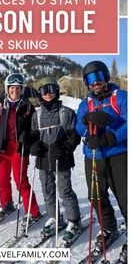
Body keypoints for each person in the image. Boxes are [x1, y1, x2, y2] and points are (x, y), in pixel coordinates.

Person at [76, 61, 127, 259]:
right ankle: (108, 228)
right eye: (90, 78)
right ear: (86, 83)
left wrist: (110, 136)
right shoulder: (85, 103)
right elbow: (80, 128)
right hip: (93, 155)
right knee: (96, 196)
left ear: (106, 77)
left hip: (118, 154)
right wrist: (86, 126)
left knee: (125, 197)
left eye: (98, 76)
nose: (95, 82)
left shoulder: (121, 97)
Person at [0, 73, 40, 227]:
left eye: (18, 88)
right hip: (2, 148)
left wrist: (27, 140)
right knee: (2, 179)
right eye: (12, 88)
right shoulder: (0, 106)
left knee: (21, 181)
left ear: (22, 90)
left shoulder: (28, 107)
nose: (15, 91)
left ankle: (33, 212)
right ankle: (6, 203)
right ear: (7, 89)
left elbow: (34, 131)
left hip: (19, 149)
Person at [30, 76, 81, 240]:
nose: (48, 93)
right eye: (44, 90)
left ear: (57, 91)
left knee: (64, 190)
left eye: (51, 89)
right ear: (39, 93)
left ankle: (74, 220)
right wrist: (33, 145)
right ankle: (54, 217)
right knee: (47, 189)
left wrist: (65, 148)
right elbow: (33, 135)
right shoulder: (36, 115)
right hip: (43, 159)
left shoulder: (66, 113)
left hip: (61, 158)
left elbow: (74, 135)